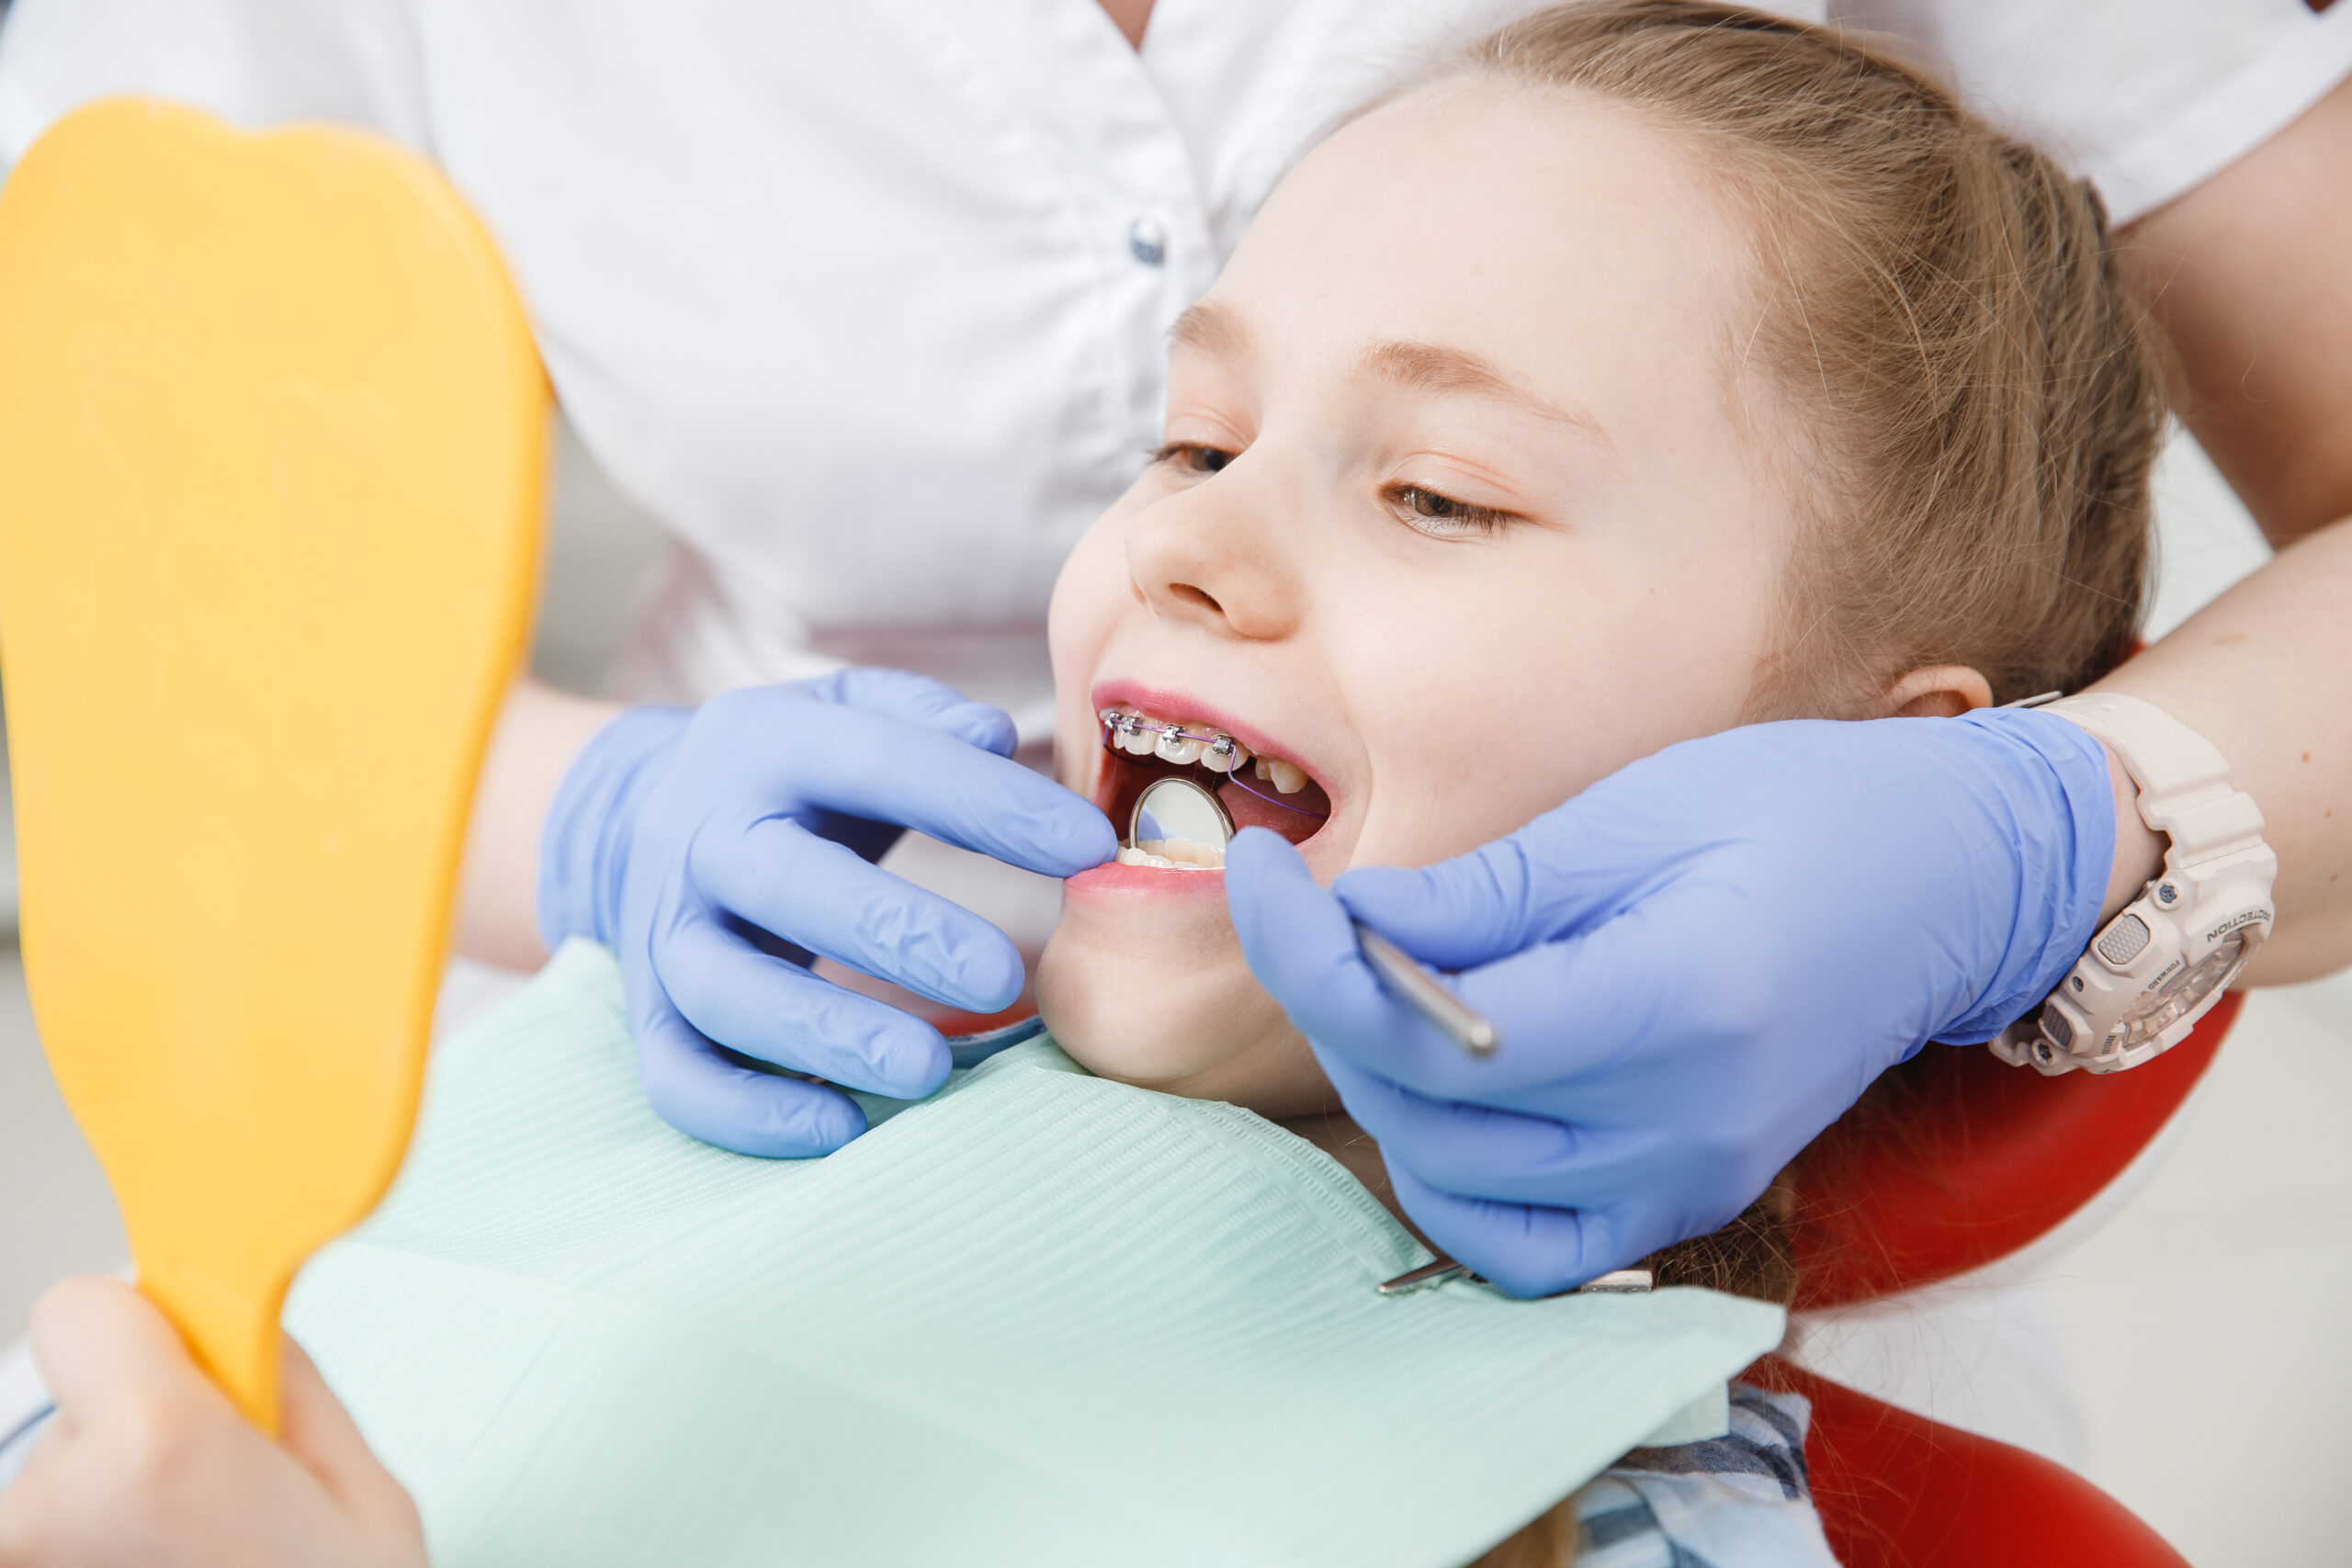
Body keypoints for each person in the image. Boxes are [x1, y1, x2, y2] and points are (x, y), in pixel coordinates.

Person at [0, 6, 2178, 1558]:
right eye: (1193, 440)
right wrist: (581, 818)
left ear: (1850, 791)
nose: (1181, 547)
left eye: (1434, 494)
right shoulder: (567, 1122)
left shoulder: (1602, 1499)